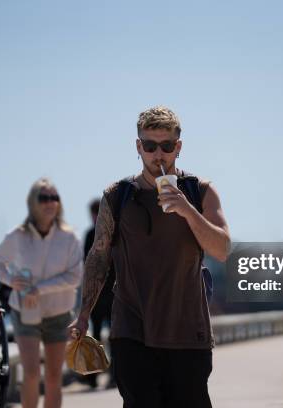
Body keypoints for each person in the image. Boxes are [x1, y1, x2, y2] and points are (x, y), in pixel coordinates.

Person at [69, 106, 231, 407]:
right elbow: (99, 257)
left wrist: (186, 210)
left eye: (167, 146)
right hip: (132, 330)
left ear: (178, 147)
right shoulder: (117, 196)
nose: (159, 155)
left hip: (187, 331)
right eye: (150, 146)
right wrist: (82, 315)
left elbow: (221, 249)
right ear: (138, 147)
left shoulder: (201, 191)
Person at [0, 178, 83, 408]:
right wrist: (11, 280)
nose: (50, 202)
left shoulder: (69, 237)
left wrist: (38, 289)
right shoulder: (18, 235)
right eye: (44, 198)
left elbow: (75, 276)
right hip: (25, 312)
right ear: (33, 202)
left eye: (54, 197)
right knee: (31, 373)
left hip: (59, 313)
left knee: (53, 378)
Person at [83, 198, 116, 389]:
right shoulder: (89, 235)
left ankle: (114, 375)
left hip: (112, 294)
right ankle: (92, 377)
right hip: (96, 296)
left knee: (114, 337)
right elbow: (86, 264)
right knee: (94, 338)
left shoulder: (113, 232)